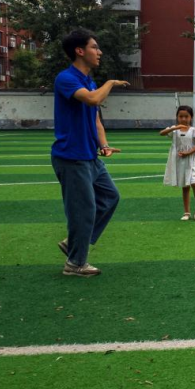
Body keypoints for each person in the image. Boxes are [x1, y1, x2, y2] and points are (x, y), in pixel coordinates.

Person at [51, 29, 127, 277]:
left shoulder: (89, 82)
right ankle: (75, 263)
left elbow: (95, 120)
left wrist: (103, 144)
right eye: (95, 47)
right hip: (71, 157)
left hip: (89, 156)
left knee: (110, 197)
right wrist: (111, 83)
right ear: (79, 51)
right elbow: (93, 100)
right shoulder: (66, 79)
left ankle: (74, 244)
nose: (99, 52)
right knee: (83, 210)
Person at [161, 105, 195, 221]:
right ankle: (186, 212)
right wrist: (173, 128)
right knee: (185, 186)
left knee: (194, 182)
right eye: (181, 116)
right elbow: (162, 133)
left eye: (186, 116)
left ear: (191, 117)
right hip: (179, 161)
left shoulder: (194, 131)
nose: (184, 119)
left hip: (192, 160)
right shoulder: (174, 130)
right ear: (177, 117)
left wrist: (188, 152)